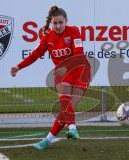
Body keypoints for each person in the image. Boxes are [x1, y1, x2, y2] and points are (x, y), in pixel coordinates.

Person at [10, 5, 91, 150]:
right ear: (51, 23)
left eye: (61, 22)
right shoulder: (48, 37)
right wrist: (18, 67)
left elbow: (79, 54)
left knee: (69, 108)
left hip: (81, 71)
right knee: (65, 102)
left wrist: (67, 66)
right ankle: (73, 129)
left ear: (66, 21)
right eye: (55, 23)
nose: (58, 26)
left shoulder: (74, 32)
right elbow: (35, 55)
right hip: (62, 73)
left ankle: (47, 140)